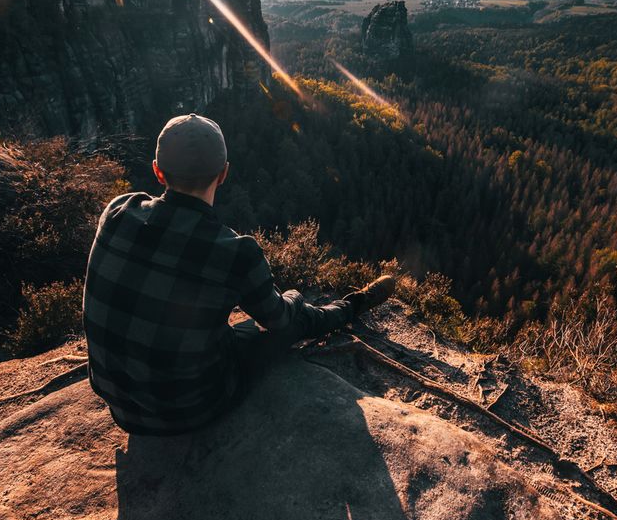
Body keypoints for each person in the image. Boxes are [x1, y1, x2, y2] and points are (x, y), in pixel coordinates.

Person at [83, 113, 396, 435]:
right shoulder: (234, 250)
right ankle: (354, 304)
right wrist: (295, 297)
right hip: (191, 409)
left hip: (119, 406)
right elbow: (282, 322)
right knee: (285, 325)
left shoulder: (118, 209)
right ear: (223, 174)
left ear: (157, 171)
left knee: (233, 328)